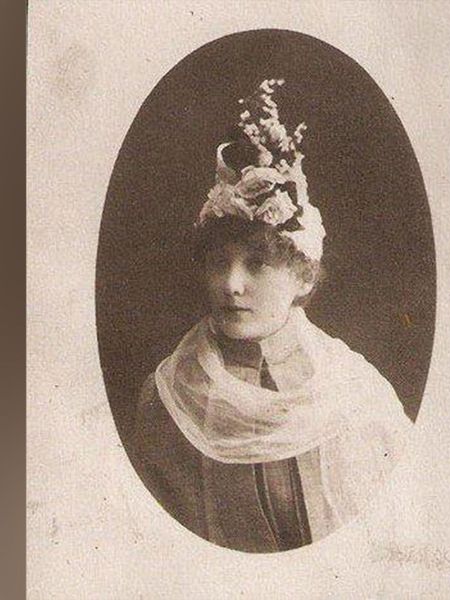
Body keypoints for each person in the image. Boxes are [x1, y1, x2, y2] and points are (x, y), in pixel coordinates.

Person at [130, 80, 412, 553]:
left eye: (257, 264)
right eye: (219, 262)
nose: (231, 284)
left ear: (303, 276)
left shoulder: (354, 389)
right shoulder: (167, 398)